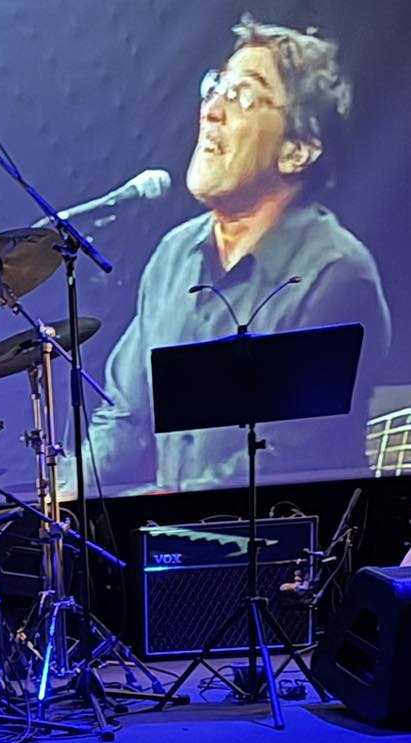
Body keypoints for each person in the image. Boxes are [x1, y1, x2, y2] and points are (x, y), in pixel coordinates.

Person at [82, 17, 391, 493]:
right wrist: (63, 496)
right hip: (172, 533)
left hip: (283, 535)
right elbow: (125, 418)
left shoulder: (335, 276)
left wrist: (159, 509)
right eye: (215, 88)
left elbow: (285, 459)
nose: (211, 111)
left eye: (243, 95)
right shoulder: (174, 255)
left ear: (297, 151)